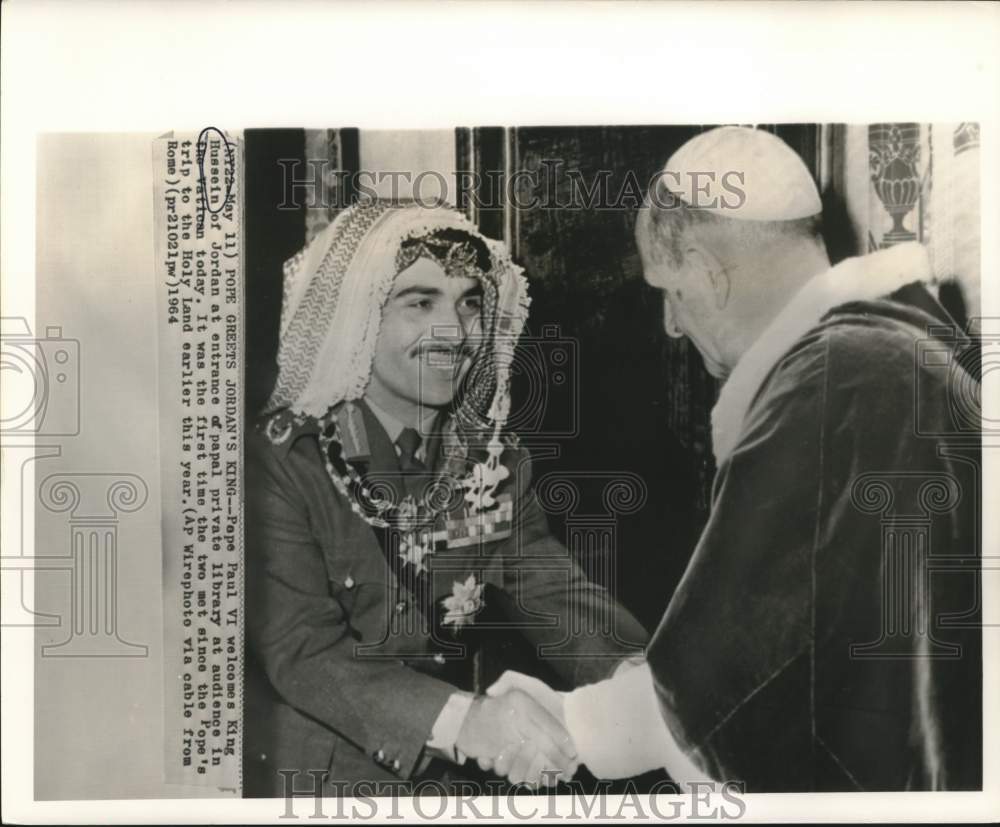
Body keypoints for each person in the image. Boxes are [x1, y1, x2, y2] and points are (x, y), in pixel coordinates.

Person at [490, 126, 982, 792]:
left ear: (709, 270)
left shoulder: (833, 382)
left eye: (671, 290)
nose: (670, 323)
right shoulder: (899, 354)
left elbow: (732, 662)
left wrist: (569, 724)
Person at [244, 199, 648, 796]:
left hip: (456, 787)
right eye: (420, 302)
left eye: (470, 304)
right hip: (318, 784)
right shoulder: (280, 460)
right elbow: (304, 652)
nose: (455, 334)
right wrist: (469, 723)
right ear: (360, 316)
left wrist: (645, 683)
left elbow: (554, 594)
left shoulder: (493, 459)